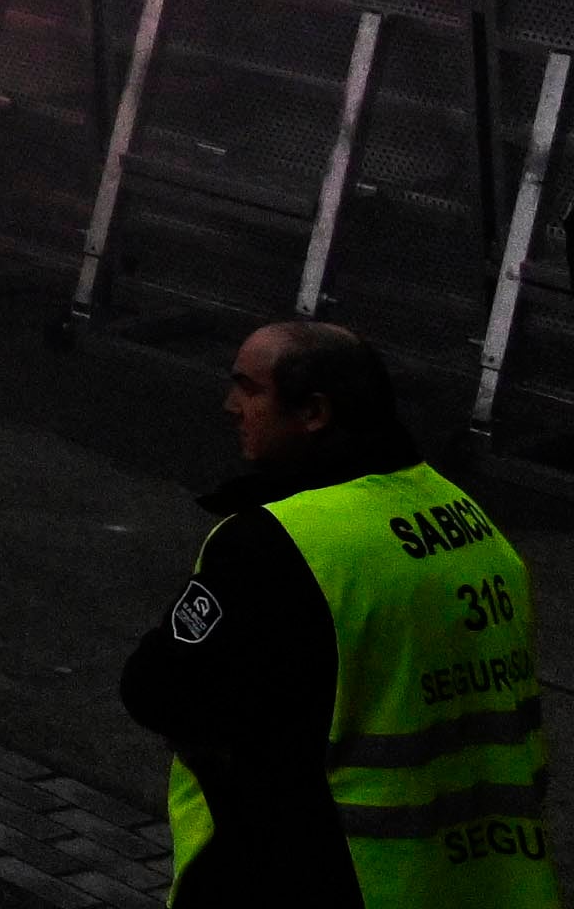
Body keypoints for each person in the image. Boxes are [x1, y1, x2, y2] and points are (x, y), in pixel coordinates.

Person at [124, 315, 556, 908]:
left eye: (249, 389)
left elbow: (158, 689)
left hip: (323, 870)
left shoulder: (277, 543)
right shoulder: (469, 521)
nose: (230, 405)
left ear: (314, 413)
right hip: (473, 877)